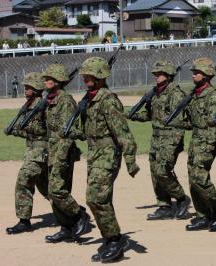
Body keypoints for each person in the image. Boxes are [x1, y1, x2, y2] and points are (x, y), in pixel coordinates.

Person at [77, 57, 140, 262]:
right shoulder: (89, 99)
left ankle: (115, 240)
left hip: (107, 154)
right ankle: (111, 237)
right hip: (94, 153)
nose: (86, 78)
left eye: (91, 75)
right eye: (85, 75)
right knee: (102, 199)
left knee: (95, 197)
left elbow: (123, 132)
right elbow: (84, 129)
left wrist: (130, 160)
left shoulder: (107, 100)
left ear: (100, 76)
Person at [130, 60, 191, 220]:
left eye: (160, 74)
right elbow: (151, 115)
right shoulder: (155, 93)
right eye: (155, 74)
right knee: (154, 173)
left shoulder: (175, 94)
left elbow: (179, 121)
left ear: (169, 75)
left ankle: (182, 198)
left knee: (162, 171)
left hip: (170, 137)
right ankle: (164, 206)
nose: (156, 76)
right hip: (156, 137)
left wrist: (174, 142)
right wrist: (134, 116)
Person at [179, 58, 216, 232]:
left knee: (199, 177)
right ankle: (202, 215)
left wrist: (210, 143)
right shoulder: (194, 94)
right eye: (194, 72)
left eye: (197, 72)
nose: (194, 74)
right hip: (195, 141)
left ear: (207, 75)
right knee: (192, 180)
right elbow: (192, 122)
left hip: (208, 141)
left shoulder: (213, 97)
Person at [41, 64, 89, 243]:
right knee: (55, 194)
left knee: (56, 190)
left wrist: (60, 156)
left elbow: (69, 132)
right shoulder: (50, 100)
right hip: (52, 151)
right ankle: (66, 227)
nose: (45, 81)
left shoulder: (65, 100)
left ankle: (79, 216)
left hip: (63, 153)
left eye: (49, 78)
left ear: (58, 81)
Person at [4, 72, 49, 234]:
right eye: (25, 87)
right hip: (33, 151)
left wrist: (19, 130)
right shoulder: (28, 105)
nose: (25, 89)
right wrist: (14, 130)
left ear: (36, 88)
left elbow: (43, 131)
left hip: (41, 151)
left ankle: (24, 221)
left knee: (24, 181)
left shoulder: (43, 105)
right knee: (48, 188)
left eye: (28, 87)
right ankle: (74, 212)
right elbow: (28, 131)